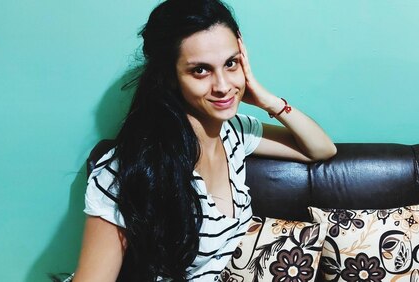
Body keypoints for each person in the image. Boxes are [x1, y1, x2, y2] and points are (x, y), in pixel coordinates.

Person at [73, 0, 336, 281]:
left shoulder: (234, 132)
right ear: (170, 77)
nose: (222, 86)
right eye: (201, 70)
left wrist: (265, 99)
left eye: (231, 63)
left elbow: (321, 149)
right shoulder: (125, 171)